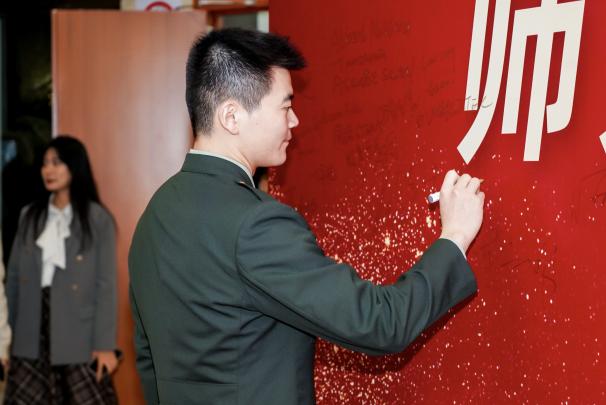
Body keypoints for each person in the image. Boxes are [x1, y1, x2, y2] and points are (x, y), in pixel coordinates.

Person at [128, 28, 485, 405]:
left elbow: (149, 362)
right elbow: (380, 323)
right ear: (232, 116)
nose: (295, 121)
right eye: (285, 107)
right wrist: (456, 236)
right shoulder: (256, 224)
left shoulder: (155, 215)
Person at [5, 135, 119, 404]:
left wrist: (104, 346)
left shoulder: (97, 219)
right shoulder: (29, 216)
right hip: (30, 333)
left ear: (74, 166)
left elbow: (106, 287)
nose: (48, 170)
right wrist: (5, 339)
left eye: (57, 162)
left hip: (77, 333)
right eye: (45, 163)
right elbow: (13, 281)